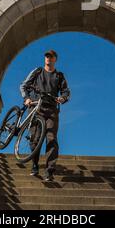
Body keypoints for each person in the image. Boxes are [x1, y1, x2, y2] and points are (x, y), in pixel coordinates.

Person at [19, 49, 71, 182]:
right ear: (45, 59)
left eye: (51, 56)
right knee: (35, 139)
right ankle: (35, 164)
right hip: (36, 108)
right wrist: (26, 98)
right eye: (47, 56)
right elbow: (24, 86)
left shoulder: (59, 75)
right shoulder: (37, 72)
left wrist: (62, 98)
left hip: (52, 110)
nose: (48, 58)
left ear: (55, 59)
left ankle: (49, 171)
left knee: (51, 139)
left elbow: (66, 91)